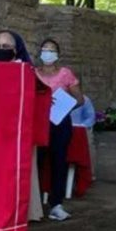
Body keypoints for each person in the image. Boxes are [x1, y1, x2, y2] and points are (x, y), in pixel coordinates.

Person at [0, 31, 50, 222]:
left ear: (16, 49)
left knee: (19, 172)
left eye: (6, 46)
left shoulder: (26, 71)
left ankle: (24, 212)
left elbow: (39, 97)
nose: (1, 50)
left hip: (19, 131)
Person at [35, 38, 84, 221]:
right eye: (45, 49)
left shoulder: (65, 74)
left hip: (60, 123)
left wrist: (62, 106)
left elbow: (80, 100)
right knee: (37, 163)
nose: (48, 53)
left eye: (52, 50)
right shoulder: (33, 73)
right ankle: (36, 205)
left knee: (59, 163)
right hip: (38, 124)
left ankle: (56, 204)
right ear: (40, 53)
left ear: (57, 54)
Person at [67, 95, 96, 197]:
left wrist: (81, 127)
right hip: (62, 131)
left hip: (79, 131)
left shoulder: (85, 99)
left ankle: (89, 175)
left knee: (88, 144)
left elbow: (90, 117)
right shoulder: (57, 97)